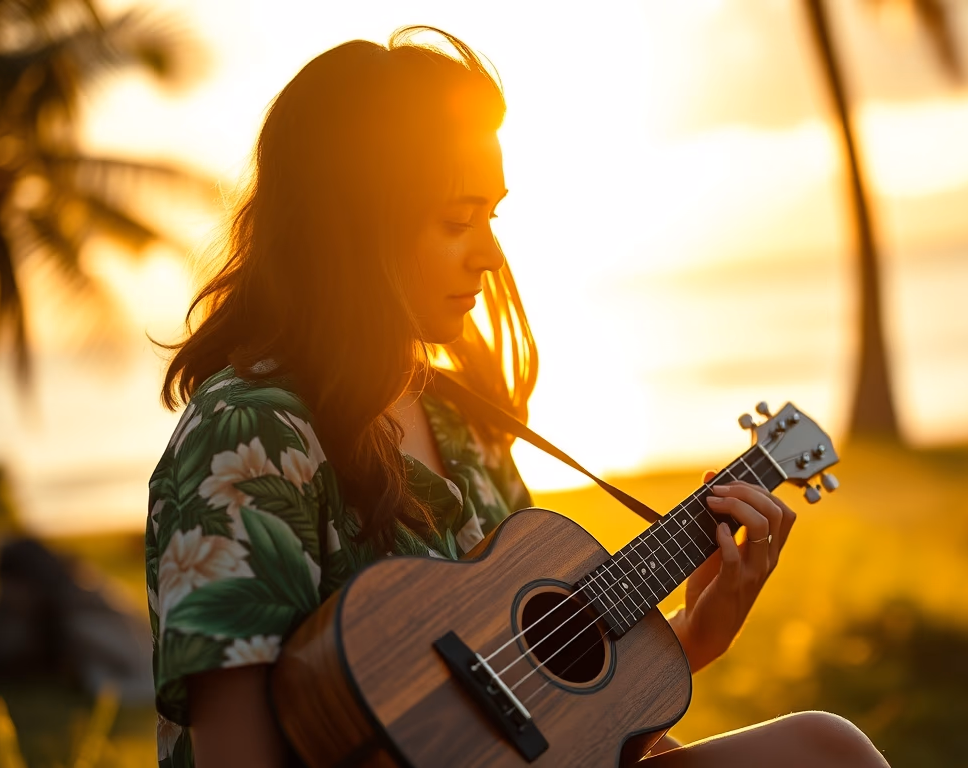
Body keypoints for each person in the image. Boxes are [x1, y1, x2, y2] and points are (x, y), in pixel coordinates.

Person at [147, 27, 890, 768]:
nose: (490, 252)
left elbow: (526, 713)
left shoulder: (459, 421)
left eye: (491, 216)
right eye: (455, 220)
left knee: (826, 751)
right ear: (351, 225)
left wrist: (693, 636)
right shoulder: (245, 436)